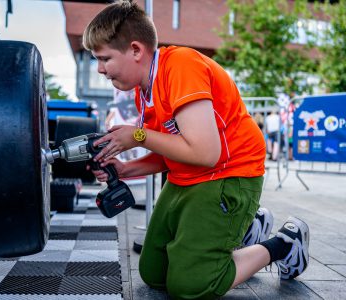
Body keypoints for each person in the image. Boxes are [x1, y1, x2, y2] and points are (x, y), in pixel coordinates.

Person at [83, 1, 310, 298]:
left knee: (191, 286)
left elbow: (205, 153)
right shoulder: (144, 91)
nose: (100, 69)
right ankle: (246, 230)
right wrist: (126, 170)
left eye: (104, 58)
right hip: (187, 177)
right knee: (153, 273)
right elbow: (173, 150)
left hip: (228, 175)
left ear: (136, 50)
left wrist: (138, 136)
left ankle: (284, 242)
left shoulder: (181, 66)